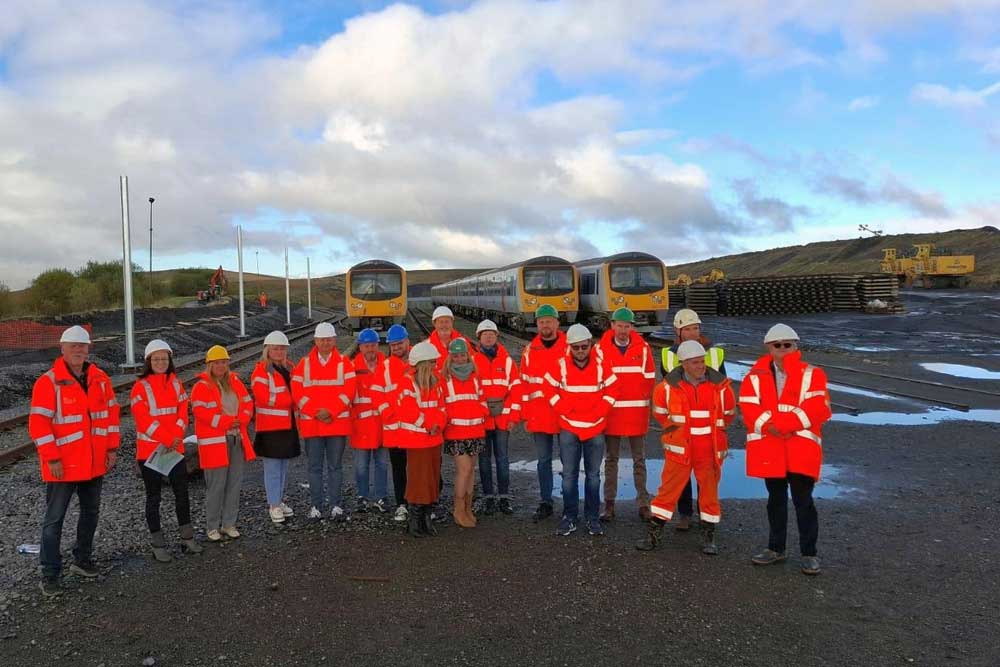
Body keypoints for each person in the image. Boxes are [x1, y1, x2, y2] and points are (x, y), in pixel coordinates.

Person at [29, 325, 120, 597]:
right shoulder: (48, 382)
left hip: (94, 462)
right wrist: (52, 457)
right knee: (54, 519)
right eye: (73, 346)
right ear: (63, 348)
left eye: (82, 346)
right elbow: (38, 425)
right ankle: (50, 573)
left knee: (90, 514)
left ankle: (82, 559)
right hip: (63, 465)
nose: (79, 350)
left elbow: (111, 417)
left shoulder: (100, 379)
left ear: (88, 348)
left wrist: (112, 449)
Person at [740, 324, 831, 576]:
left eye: (787, 345)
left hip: (800, 447)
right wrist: (772, 428)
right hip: (771, 448)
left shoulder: (813, 374)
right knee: (775, 501)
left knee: (804, 501)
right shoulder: (754, 376)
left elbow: (818, 408)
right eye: (777, 346)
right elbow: (748, 407)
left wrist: (783, 426)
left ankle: (809, 554)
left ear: (796, 346)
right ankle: (775, 548)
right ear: (768, 347)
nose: (782, 350)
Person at [636, 340, 736, 555]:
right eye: (695, 363)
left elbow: (728, 415)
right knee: (667, 493)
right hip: (680, 449)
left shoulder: (721, 387)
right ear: (684, 364)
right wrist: (675, 433)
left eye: (702, 361)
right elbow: (660, 413)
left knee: (709, 494)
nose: (700, 366)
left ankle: (709, 538)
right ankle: (653, 535)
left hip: (708, 450)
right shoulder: (666, 388)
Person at [544, 324, 620, 537]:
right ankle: (569, 517)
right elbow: (548, 387)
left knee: (593, 476)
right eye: (575, 348)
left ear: (590, 346)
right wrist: (565, 409)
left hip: (595, 429)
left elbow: (614, 389)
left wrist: (600, 412)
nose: (580, 351)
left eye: (583, 347)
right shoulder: (560, 365)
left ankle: (592, 518)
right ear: (569, 347)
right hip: (569, 428)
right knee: (569, 475)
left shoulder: (601, 366)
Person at [130, 339, 201, 562]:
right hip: (150, 453)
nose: (160, 362)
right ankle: (157, 543)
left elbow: (183, 411)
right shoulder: (140, 387)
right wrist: (168, 438)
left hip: (174, 449)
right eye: (156, 359)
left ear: (169, 360)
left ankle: (187, 537)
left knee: (182, 493)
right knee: (154, 497)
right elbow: (144, 420)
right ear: (148, 361)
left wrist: (177, 435)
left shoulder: (176, 383)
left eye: (164, 358)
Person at [661, 308, 727, 532]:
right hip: (681, 425)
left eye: (695, 328)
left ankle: (705, 514)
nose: (692, 333)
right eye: (687, 329)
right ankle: (685, 514)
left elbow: (723, 387)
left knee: (706, 474)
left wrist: (720, 423)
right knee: (680, 474)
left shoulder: (715, 354)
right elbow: (666, 391)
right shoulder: (668, 355)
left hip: (707, 424)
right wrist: (670, 426)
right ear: (678, 332)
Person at [291, 322, 356, 519]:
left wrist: (331, 412)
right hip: (314, 425)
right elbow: (297, 391)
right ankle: (316, 506)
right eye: (322, 340)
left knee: (335, 466)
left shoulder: (345, 363)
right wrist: (315, 411)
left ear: (334, 340)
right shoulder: (304, 364)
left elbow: (349, 391)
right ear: (316, 341)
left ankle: (336, 505)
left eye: (328, 339)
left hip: (335, 424)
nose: (325, 343)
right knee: (315, 467)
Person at [191, 345, 255, 541]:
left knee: (234, 484)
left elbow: (247, 403)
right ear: (209, 365)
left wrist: (242, 419)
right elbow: (201, 412)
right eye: (217, 363)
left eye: (224, 362)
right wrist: (228, 422)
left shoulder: (235, 382)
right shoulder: (201, 387)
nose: (221, 366)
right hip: (215, 443)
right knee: (216, 486)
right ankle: (212, 527)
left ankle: (229, 524)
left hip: (236, 439)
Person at [597, 308, 656, 522]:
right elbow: (598, 383)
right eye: (619, 325)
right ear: (612, 326)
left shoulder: (644, 349)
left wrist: (645, 405)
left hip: (636, 414)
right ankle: (609, 504)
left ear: (632, 327)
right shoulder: (600, 350)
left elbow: (650, 380)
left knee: (639, 459)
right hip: (612, 415)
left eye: (627, 326)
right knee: (611, 459)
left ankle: (643, 503)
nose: (623, 330)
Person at [518, 304, 567, 522]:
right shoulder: (530, 351)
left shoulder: (569, 347)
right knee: (543, 461)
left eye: (549, 320)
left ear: (557, 322)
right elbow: (524, 385)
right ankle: (546, 501)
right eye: (541, 321)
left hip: (565, 415)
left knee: (569, 461)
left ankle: (570, 501)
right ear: (537, 324)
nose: (545, 325)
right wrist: (526, 415)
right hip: (539, 416)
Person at [395, 341, 447, 537]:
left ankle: (424, 517)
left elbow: (442, 408)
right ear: (423, 364)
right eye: (432, 363)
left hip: (432, 439)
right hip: (416, 440)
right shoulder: (407, 382)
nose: (435, 366)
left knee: (432, 478)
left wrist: (438, 425)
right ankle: (415, 520)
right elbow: (408, 410)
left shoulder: (436, 382)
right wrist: (429, 425)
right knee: (419, 480)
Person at [251, 331, 301, 523]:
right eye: (275, 348)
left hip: (287, 425)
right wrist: (292, 400)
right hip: (271, 427)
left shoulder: (288, 368)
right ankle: (273, 505)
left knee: (282, 467)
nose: (279, 351)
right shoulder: (261, 371)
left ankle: (278, 501)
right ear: (267, 350)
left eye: (282, 348)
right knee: (272, 468)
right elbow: (264, 397)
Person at [473, 319, 520, 515]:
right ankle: (488, 497)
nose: (489, 336)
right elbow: (471, 390)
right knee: (484, 460)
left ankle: (503, 497)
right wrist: (483, 410)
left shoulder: (507, 361)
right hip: (483, 420)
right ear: (479, 338)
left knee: (502, 459)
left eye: (492, 333)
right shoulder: (473, 361)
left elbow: (516, 390)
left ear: (497, 336)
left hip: (502, 419)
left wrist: (511, 416)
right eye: (485, 334)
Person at [441, 338, 488, 528]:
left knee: (471, 473)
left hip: (475, 430)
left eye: (462, 355)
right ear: (450, 357)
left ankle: (468, 508)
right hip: (456, 432)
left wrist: (481, 412)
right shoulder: (444, 378)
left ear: (467, 355)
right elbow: (442, 404)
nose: (460, 359)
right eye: (456, 355)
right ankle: (458, 509)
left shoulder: (475, 377)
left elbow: (481, 398)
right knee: (464, 470)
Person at [350, 328, 390, 513]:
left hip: (383, 423)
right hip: (361, 425)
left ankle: (381, 496)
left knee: (382, 463)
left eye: (373, 345)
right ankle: (362, 496)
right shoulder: (352, 368)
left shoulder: (387, 366)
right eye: (367, 346)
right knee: (361, 465)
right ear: (360, 347)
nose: (370, 349)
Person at [376, 324, 412, 522]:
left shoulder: (419, 361)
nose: (396, 347)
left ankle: (423, 502)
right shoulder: (385, 366)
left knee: (419, 468)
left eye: (399, 344)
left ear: (408, 342)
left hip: (416, 429)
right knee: (399, 468)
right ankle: (402, 504)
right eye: (393, 345)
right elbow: (376, 391)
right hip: (395, 428)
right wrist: (386, 412)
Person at [425, 306, 473, 370]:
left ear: (452, 323)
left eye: (447, 321)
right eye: (441, 322)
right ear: (434, 324)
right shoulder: (427, 346)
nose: (444, 325)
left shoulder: (463, 342)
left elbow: (473, 363)